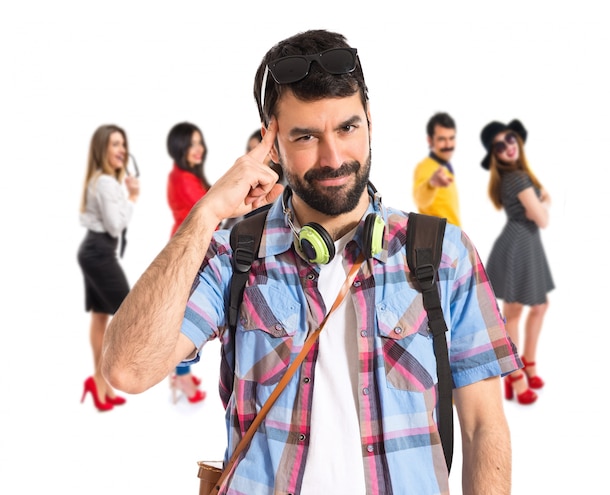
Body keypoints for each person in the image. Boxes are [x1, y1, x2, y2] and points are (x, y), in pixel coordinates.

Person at [102, 30, 521, 494]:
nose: (334, 156)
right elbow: (128, 370)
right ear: (272, 142)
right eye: (306, 136)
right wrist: (205, 214)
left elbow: (484, 427)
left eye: (348, 127)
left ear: (369, 121)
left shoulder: (444, 253)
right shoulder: (234, 252)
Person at [480, 119, 555, 406]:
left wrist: (541, 198)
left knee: (536, 306)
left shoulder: (518, 177)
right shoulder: (518, 179)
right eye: (499, 145)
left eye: (510, 139)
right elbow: (543, 219)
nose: (508, 146)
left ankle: (528, 363)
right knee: (515, 312)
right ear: (495, 154)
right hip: (519, 244)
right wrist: (544, 200)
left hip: (526, 243)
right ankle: (515, 375)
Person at [78, 124, 139, 412]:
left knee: (100, 316)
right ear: (102, 149)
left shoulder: (102, 181)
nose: (122, 150)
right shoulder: (106, 183)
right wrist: (132, 198)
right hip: (99, 252)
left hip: (94, 250)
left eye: (123, 144)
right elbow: (116, 225)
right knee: (128, 312)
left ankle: (98, 384)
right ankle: (110, 379)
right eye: (115, 144)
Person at [165, 121, 209, 403]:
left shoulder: (187, 175)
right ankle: (180, 375)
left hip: (192, 249)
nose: (198, 149)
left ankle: (181, 372)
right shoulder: (182, 179)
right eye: (191, 144)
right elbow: (207, 211)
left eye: (199, 142)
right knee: (185, 316)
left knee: (186, 311)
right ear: (179, 147)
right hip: (188, 253)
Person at [221, 128, 286, 229]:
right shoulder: (244, 181)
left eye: (254, 149)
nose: (249, 154)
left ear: (270, 153)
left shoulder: (281, 186)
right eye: (248, 149)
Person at [412, 112, 462, 227]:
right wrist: (431, 184)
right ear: (430, 140)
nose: (448, 144)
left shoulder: (445, 166)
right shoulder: (426, 167)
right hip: (439, 238)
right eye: (442, 139)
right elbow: (420, 199)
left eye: (451, 138)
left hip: (452, 235)